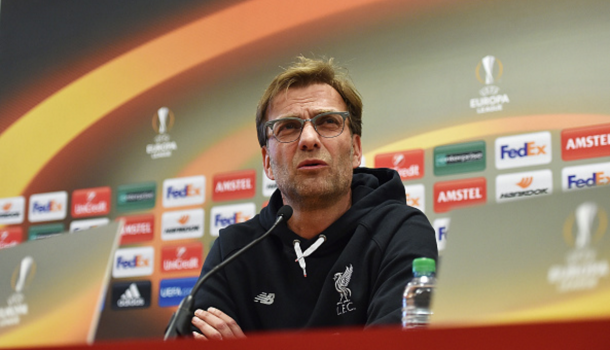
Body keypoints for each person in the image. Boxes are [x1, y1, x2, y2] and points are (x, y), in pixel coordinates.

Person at [189, 56, 438, 340]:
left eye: (328, 122)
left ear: (355, 150)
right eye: (289, 127)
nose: (309, 138)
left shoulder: (400, 231)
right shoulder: (233, 251)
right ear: (267, 161)